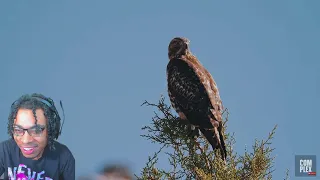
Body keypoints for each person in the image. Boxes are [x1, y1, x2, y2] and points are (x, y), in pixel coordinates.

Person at [0, 93, 75, 180]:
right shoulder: (4, 151)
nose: (26, 140)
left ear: (50, 130)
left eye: (36, 130)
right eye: (18, 130)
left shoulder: (64, 157)